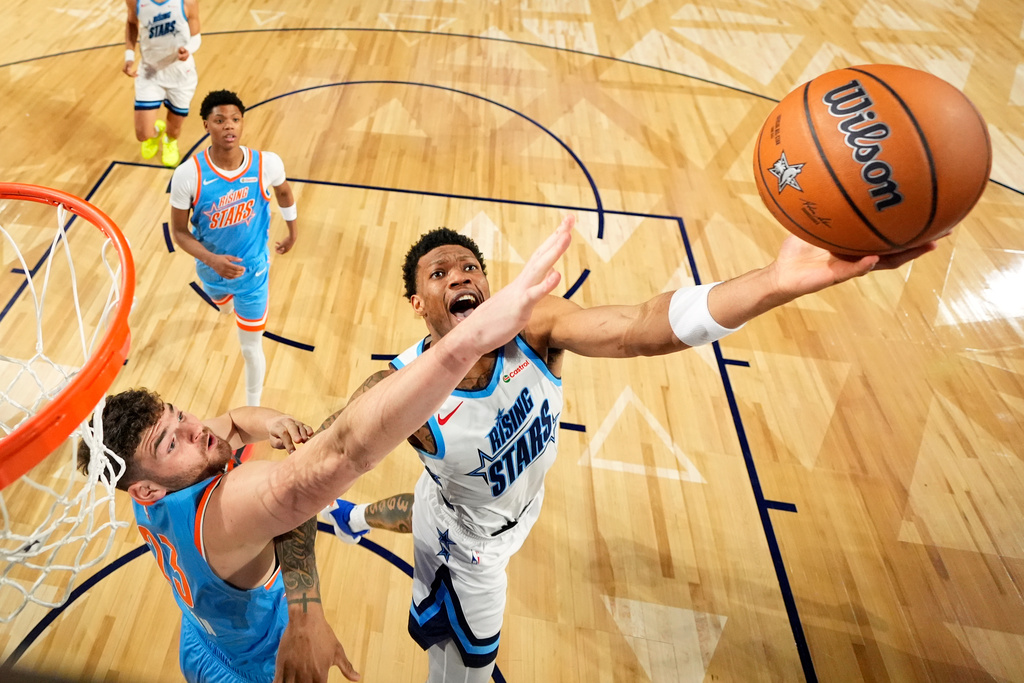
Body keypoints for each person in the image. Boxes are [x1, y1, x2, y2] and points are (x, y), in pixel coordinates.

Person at [321, 216, 938, 682]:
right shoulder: (399, 394)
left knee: (431, 499)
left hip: (487, 505)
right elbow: (308, 473)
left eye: (470, 267)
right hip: (471, 557)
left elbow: (640, 327)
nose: (459, 275)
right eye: (440, 273)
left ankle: (355, 519)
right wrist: (302, 610)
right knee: (469, 668)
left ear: (488, 285)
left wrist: (776, 282)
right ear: (417, 304)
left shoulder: (535, 328)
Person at [77, 221, 573, 683]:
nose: (195, 429)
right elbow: (324, 468)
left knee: (419, 509)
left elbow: (230, 421)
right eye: (171, 438)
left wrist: (269, 422)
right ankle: (347, 523)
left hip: (202, 640)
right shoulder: (228, 508)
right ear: (143, 484)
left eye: (179, 414)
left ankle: (352, 519)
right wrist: (306, 612)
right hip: (259, 665)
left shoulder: (150, 479)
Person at [169, 89, 298, 407]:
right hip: (212, 272)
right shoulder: (188, 174)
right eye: (220, 120)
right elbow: (178, 232)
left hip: (254, 276)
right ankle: (225, 304)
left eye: (235, 119)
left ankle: (252, 408)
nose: (229, 126)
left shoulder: (267, 163)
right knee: (222, 304)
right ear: (205, 125)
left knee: (251, 348)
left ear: (242, 124)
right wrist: (212, 259)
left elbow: (283, 192)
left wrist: (293, 231)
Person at [123, 0, 201, 168]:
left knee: (174, 131)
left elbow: (196, 36)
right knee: (143, 134)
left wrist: (189, 50)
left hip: (181, 77)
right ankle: (156, 132)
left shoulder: (187, 2)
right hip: (150, 74)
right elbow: (131, 22)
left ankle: (169, 141)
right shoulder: (135, 2)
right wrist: (129, 56)